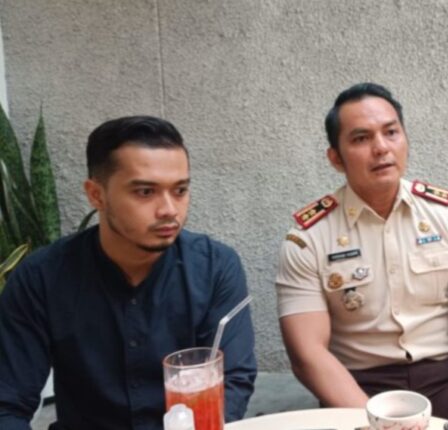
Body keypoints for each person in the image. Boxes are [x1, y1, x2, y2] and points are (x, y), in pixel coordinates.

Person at [276, 82, 448, 429]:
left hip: (442, 381)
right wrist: (374, 422)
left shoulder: (445, 215)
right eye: (361, 138)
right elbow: (308, 354)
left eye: (391, 132)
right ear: (336, 158)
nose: (381, 147)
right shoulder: (308, 238)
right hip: (358, 388)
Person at [0, 116, 257, 430]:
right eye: (145, 192)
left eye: (180, 190)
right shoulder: (42, 277)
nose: (169, 210)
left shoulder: (215, 267)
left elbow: (232, 380)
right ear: (96, 195)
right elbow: (7, 403)